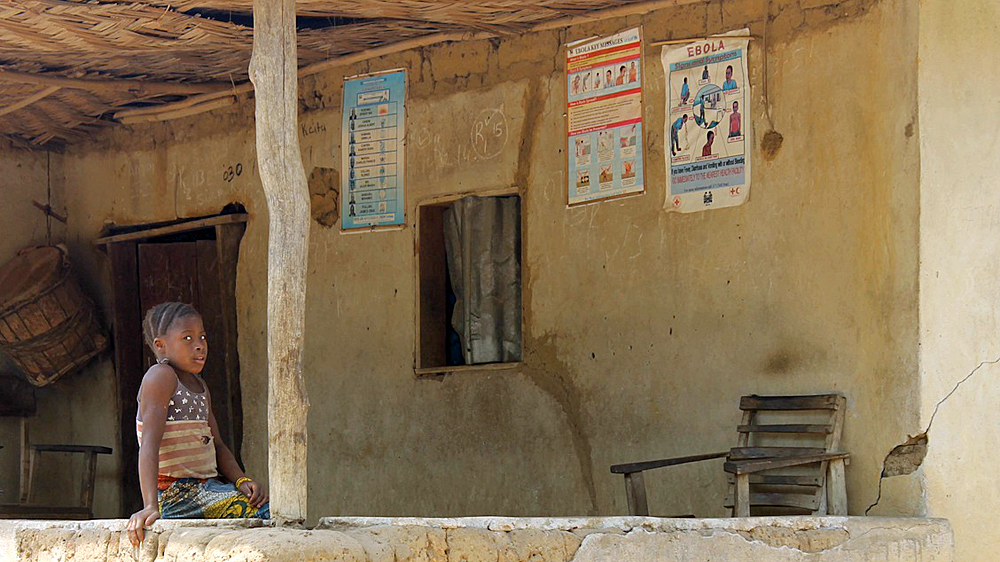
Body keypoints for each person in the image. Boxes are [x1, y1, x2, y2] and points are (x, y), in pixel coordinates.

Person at [127, 303, 268, 546]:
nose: (199, 345)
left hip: (206, 488)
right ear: (161, 345)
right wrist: (150, 505)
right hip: (176, 494)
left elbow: (219, 446)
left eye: (202, 337)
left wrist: (242, 481)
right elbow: (149, 445)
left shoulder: (200, 386)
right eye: (187, 338)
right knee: (266, 515)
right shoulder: (160, 376)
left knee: (265, 508)